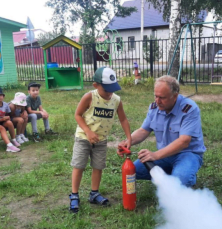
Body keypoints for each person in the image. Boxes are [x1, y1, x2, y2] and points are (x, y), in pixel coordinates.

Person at [118, 75, 206, 187]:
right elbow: (143, 131)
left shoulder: (189, 109)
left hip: (187, 154)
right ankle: (175, 172)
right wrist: (127, 142)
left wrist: (155, 155)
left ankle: (183, 174)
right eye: (156, 96)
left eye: (162, 98)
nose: (157, 101)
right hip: (165, 154)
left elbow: (184, 141)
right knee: (132, 171)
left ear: (175, 96)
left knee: (180, 180)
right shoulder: (154, 108)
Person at [69, 67, 131, 213]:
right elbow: (77, 115)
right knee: (79, 166)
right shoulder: (89, 97)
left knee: (98, 166)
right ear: (96, 86)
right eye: (106, 90)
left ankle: (94, 193)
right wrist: (88, 131)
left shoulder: (116, 100)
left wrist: (129, 137)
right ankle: (74, 195)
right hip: (83, 138)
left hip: (101, 141)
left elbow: (123, 119)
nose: (110, 93)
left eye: (112, 89)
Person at [0, 87, 21, 153]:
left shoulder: (5, 105)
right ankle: (9, 146)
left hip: (2, 121)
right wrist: (2, 118)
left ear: (3, 96)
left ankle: (13, 139)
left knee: (9, 122)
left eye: (0, 95)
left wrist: (7, 118)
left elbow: (8, 114)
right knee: (1, 128)